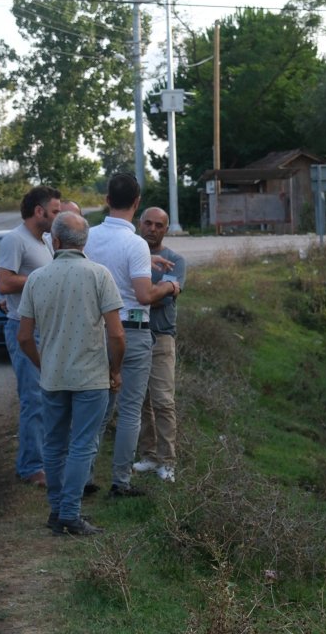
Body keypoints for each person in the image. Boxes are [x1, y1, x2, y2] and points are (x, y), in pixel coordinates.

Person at [17, 212, 125, 536]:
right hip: (91, 377)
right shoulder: (99, 275)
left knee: (53, 444)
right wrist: (115, 369)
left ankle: (56, 510)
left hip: (53, 376)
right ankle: (70, 514)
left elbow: (23, 337)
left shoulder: (37, 278)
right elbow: (117, 335)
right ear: (85, 242)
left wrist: (42, 363)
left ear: (56, 240)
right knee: (82, 445)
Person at [84, 173, 180, 497]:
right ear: (137, 204)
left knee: (97, 407)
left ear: (107, 199)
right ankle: (120, 481)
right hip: (132, 330)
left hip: (96, 330)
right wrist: (169, 285)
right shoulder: (135, 244)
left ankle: (84, 475)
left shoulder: (89, 237)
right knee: (130, 411)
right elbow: (143, 294)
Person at [0, 186, 63, 487]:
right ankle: (30, 467)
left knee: (47, 396)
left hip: (46, 328)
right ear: (39, 211)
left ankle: (43, 459)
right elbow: (4, 282)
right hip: (23, 328)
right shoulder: (15, 239)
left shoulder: (46, 240)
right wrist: (44, 278)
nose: (58, 217)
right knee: (33, 398)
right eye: (55, 211)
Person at [132, 207, 185, 483]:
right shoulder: (132, 253)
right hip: (133, 333)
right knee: (142, 402)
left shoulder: (175, 260)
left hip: (161, 336)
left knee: (163, 400)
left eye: (159, 225)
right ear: (140, 224)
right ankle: (148, 456)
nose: (152, 228)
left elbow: (160, 299)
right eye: (148, 223)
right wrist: (147, 293)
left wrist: (138, 296)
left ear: (166, 229)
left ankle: (168, 461)